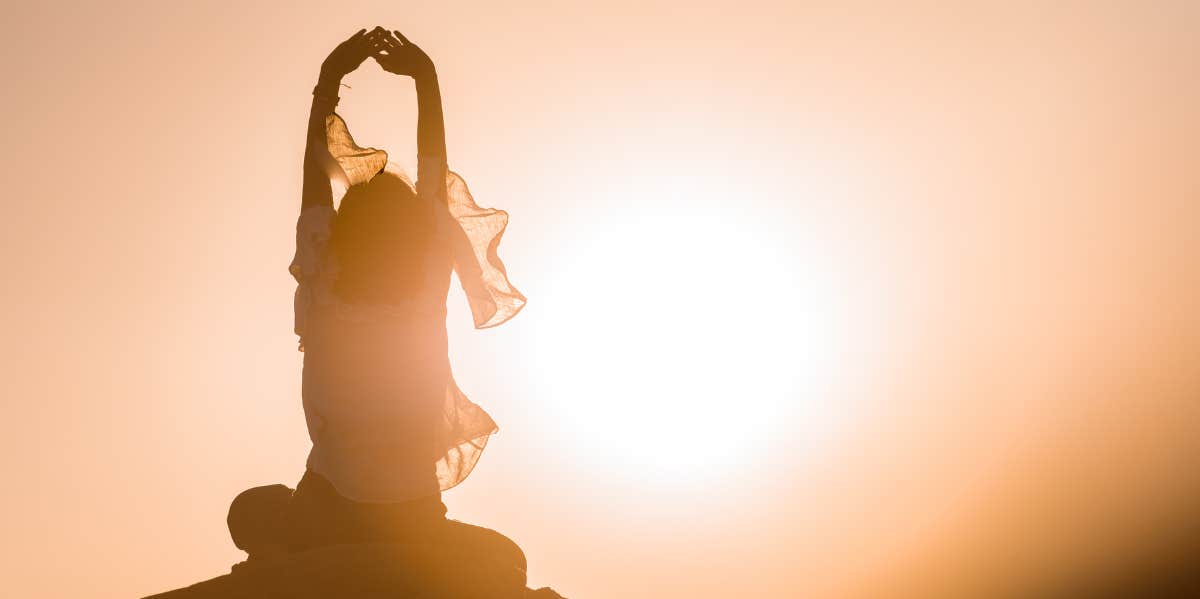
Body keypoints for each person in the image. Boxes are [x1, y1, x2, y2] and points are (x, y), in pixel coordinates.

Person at [285, 26, 527, 577]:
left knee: (256, 515)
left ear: (345, 231)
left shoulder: (323, 280)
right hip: (412, 507)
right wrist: (425, 81)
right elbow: (433, 170)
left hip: (331, 500)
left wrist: (328, 85)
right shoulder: (425, 285)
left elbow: (315, 180)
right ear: (419, 236)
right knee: (502, 564)